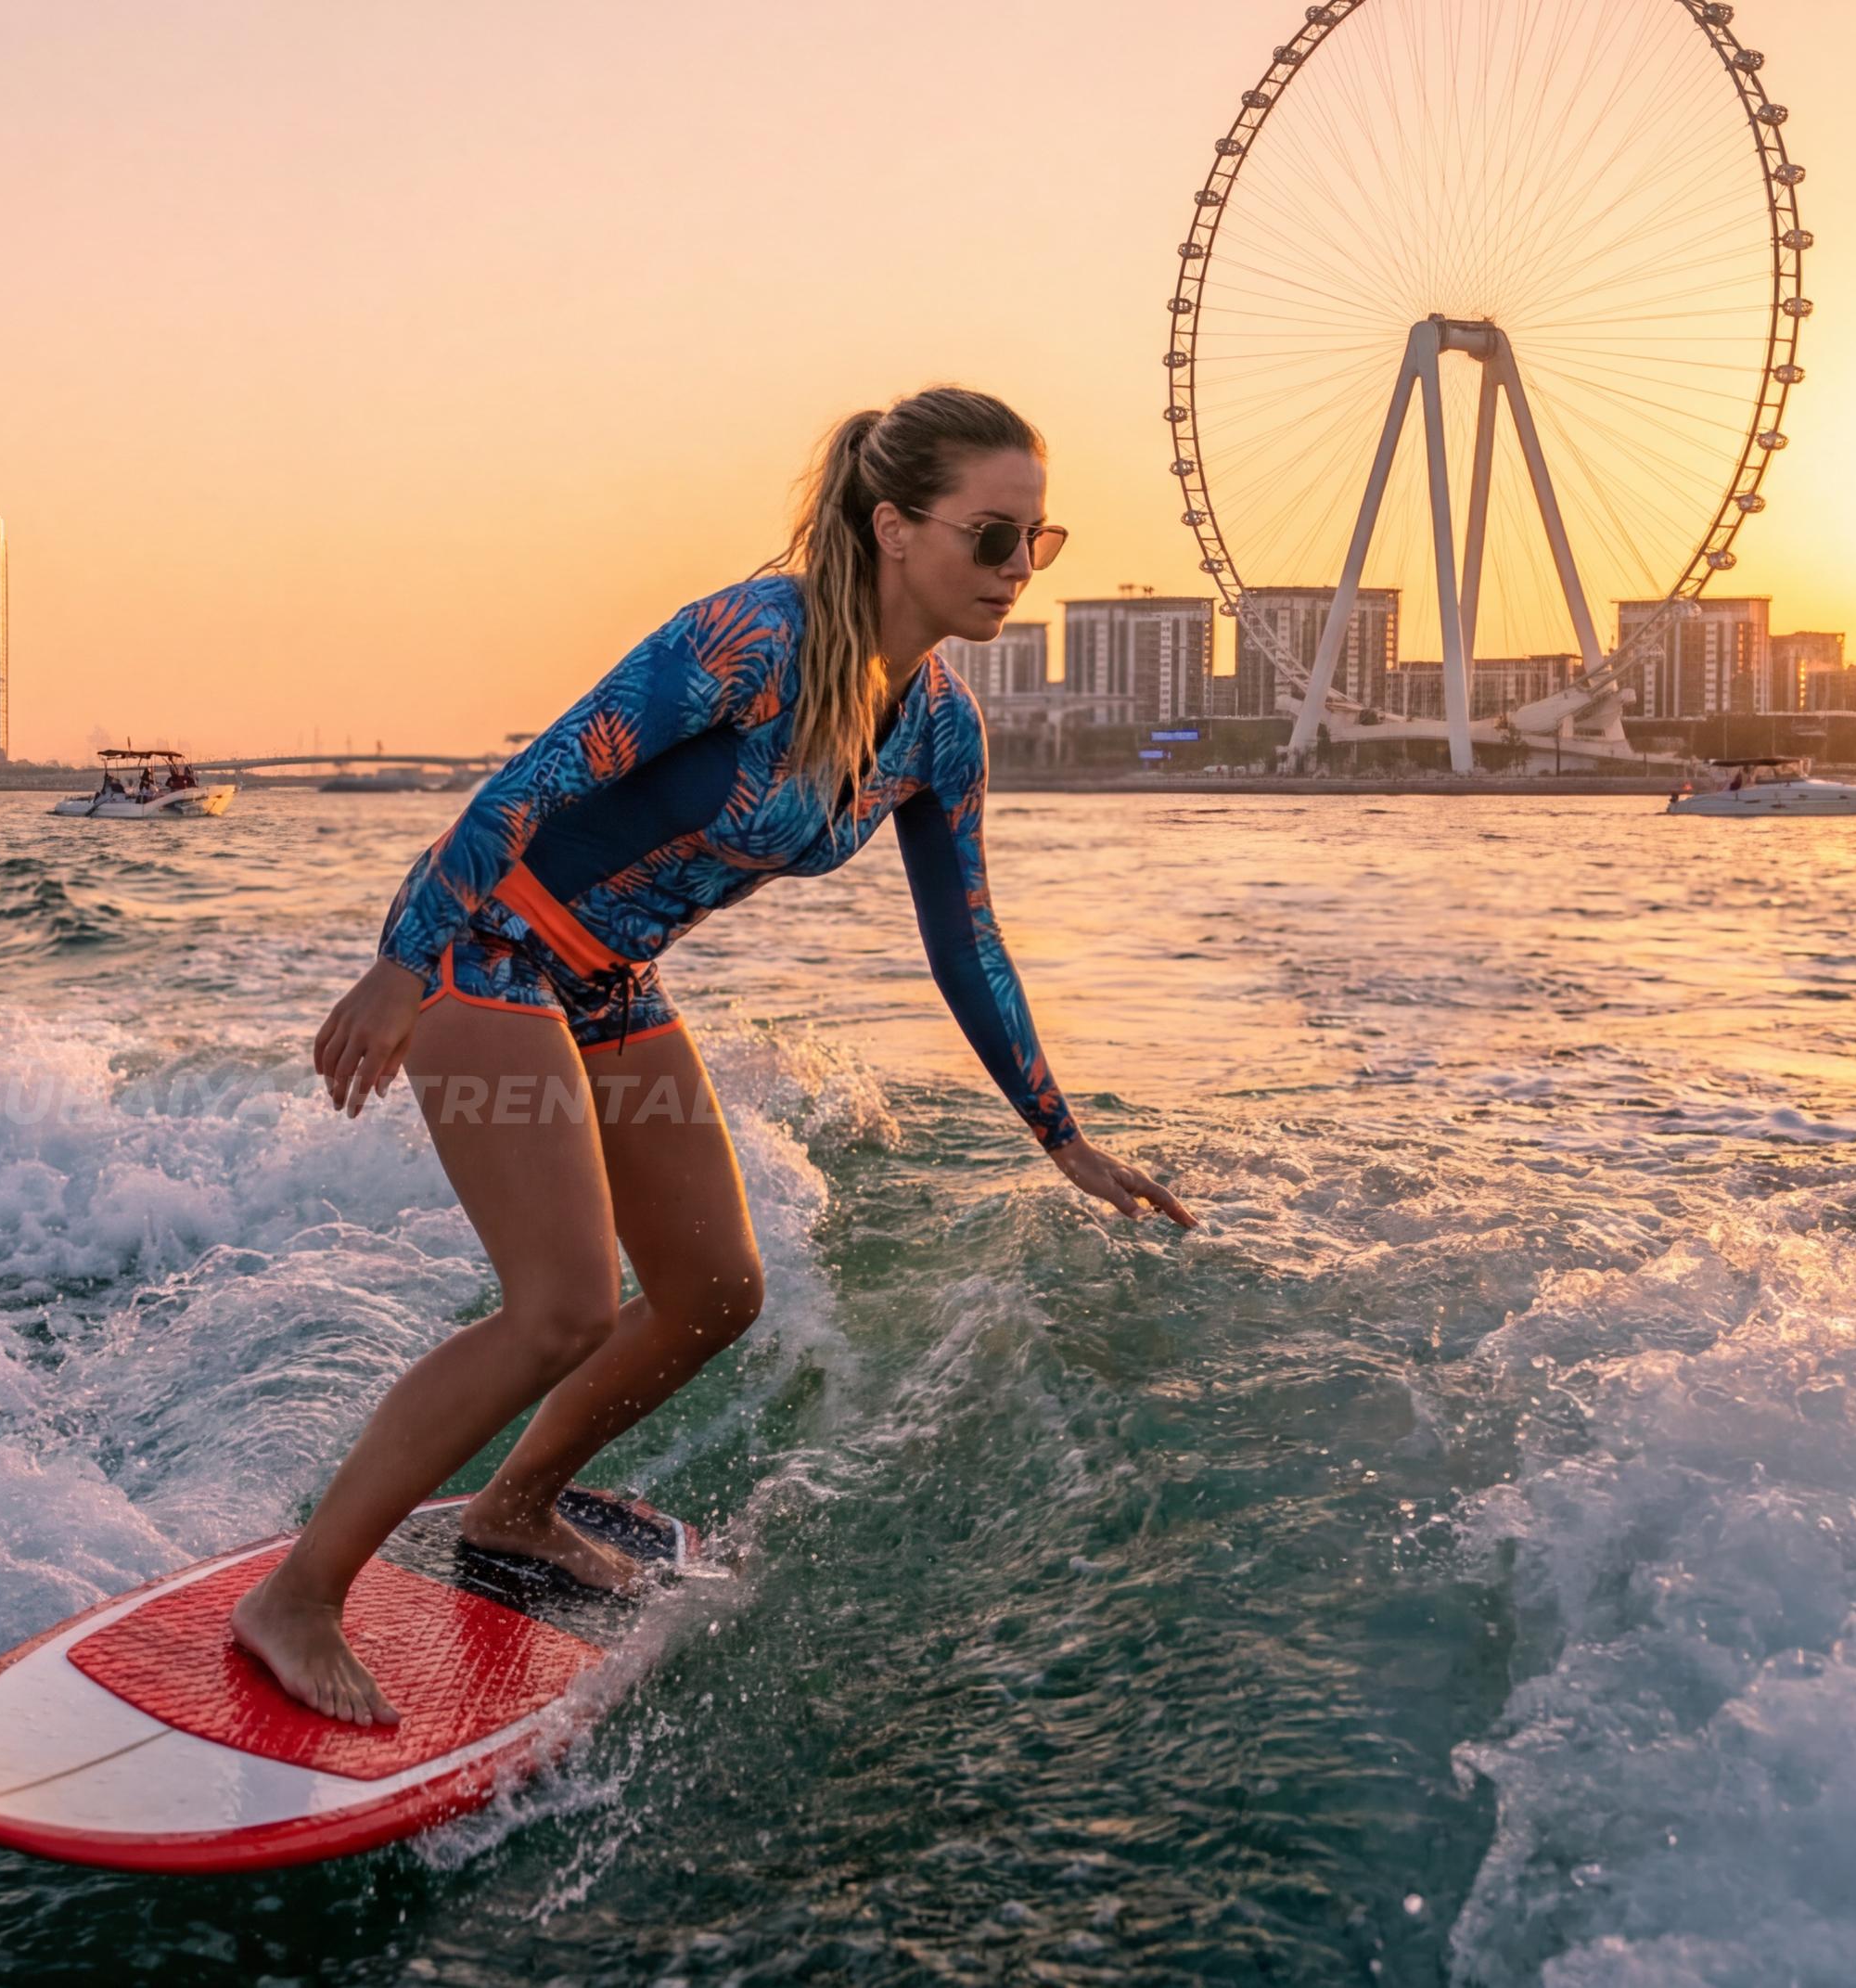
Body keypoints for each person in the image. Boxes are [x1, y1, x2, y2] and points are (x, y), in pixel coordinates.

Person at [230, 388, 1197, 1725]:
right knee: (561, 1305)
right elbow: (530, 787)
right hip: (487, 950)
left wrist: (1061, 1136)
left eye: (1042, 540)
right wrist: (403, 967)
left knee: (714, 1290)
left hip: (610, 981)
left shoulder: (936, 731)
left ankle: (512, 1513)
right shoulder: (749, 640)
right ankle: (296, 1596)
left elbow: (966, 941)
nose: (1019, 571)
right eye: (992, 538)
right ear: (893, 527)